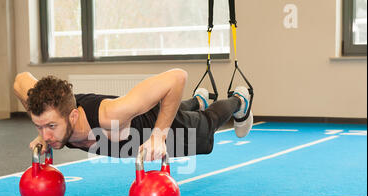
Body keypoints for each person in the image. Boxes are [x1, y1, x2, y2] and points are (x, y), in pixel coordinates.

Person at [13, 69, 253, 161]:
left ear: (73, 116)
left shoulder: (110, 115)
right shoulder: (51, 112)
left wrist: (158, 136)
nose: (46, 135)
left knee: (206, 125)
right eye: (39, 126)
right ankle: (197, 101)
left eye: (51, 126)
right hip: (141, 118)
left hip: (152, 126)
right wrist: (43, 128)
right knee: (176, 108)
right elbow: (20, 80)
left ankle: (239, 100)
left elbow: (177, 77)